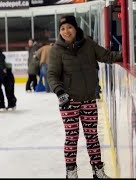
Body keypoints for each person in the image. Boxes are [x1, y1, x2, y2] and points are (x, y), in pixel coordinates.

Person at [47, 15, 122, 178]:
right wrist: (60, 93)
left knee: (92, 136)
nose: (66, 31)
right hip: (68, 100)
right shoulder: (56, 50)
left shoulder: (88, 44)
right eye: (62, 29)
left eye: (69, 27)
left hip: (88, 98)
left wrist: (129, 54)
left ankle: (98, 171)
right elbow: (52, 74)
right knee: (72, 137)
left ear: (76, 28)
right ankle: (71, 173)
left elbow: (106, 56)